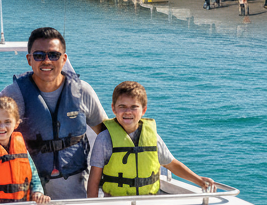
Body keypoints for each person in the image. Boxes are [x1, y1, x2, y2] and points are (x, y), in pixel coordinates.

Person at [0, 27, 107, 199]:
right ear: (29, 59)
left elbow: (105, 134)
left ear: (64, 59)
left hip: (76, 190)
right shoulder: (13, 94)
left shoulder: (82, 91)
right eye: (39, 55)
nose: (47, 61)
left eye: (54, 55)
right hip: (28, 191)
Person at [87, 81, 215, 197]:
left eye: (134, 107)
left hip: (148, 204)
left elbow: (172, 164)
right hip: (115, 203)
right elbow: (94, 180)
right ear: (113, 109)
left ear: (144, 110)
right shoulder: (104, 139)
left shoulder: (152, 137)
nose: (128, 111)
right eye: (122, 106)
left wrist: (199, 180)